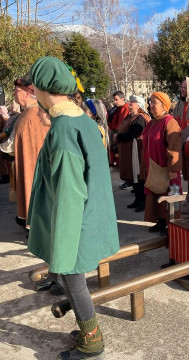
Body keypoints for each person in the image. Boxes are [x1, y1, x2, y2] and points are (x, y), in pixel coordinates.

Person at [27, 56, 120, 359]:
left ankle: (92, 340)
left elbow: (69, 192)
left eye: (33, 86)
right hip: (88, 216)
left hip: (74, 221)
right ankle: (87, 331)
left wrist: (62, 242)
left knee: (72, 278)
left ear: (43, 88)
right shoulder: (80, 118)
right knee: (71, 278)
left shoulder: (64, 128)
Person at [12, 76, 49, 229]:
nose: (14, 93)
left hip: (34, 167)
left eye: (16, 90)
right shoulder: (28, 114)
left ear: (27, 93)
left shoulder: (33, 115)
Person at [143, 92, 182, 234]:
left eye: (154, 102)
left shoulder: (170, 122)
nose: (151, 105)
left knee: (169, 195)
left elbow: (174, 147)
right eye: (150, 102)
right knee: (156, 195)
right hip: (154, 167)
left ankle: (171, 223)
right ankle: (160, 221)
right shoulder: (152, 122)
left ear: (164, 106)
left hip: (166, 168)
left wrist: (173, 168)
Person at [114, 95, 150, 212]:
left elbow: (132, 134)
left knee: (138, 176)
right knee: (133, 176)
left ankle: (142, 201)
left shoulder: (140, 118)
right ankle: (138, 199)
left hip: (137, 151)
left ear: (139, 105)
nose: (130, 103)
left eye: (133, 102)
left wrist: (118, 136)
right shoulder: (131, 116)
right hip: (130, 151)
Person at [108, 91, 130, 172]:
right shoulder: (117, 109)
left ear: (122, 99)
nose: (114, 102)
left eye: (116, 100)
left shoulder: (127, 109)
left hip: (123, 136)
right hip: (117, 135)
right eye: (114, 100)